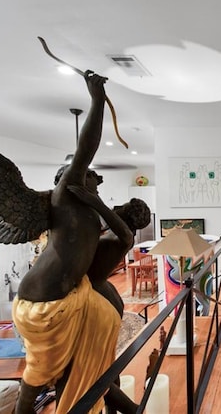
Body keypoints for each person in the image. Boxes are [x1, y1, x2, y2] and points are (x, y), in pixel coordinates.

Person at [8, 70, 118, 414]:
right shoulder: (65, 197)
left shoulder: (87, 207)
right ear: (71, 179)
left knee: (76, 364)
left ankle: (92, 400)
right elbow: (86, 146)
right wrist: (97, 100)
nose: (95, 181)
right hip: (44, 299)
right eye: (91, 177)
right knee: (39, 371)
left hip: (69, 293)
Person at [65, 188, 151, 414]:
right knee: (106, 363)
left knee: (93, 368)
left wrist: (96, 202)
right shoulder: (115, 234)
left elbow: (110, 219)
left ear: (129, 214)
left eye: (122, 206)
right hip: (101, 293)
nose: (117, 208)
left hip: (96, 299)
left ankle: (132, 409)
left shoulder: (123, 237)